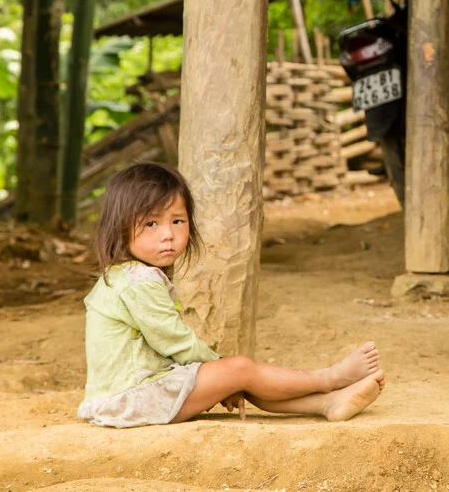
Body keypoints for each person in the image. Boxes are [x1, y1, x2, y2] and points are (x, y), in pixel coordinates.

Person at [78, 162, 384, 428]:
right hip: (132, 399)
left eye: (177, 221)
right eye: (151, 223)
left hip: (135, 393)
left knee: (239, 375)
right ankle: (329, 379)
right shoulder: (138, 281)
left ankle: (327, 403)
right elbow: (176, 343)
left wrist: (221, 376)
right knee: (240, 369)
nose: (168, 234)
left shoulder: (128, 275)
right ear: (119, 228)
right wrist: (221, 370)